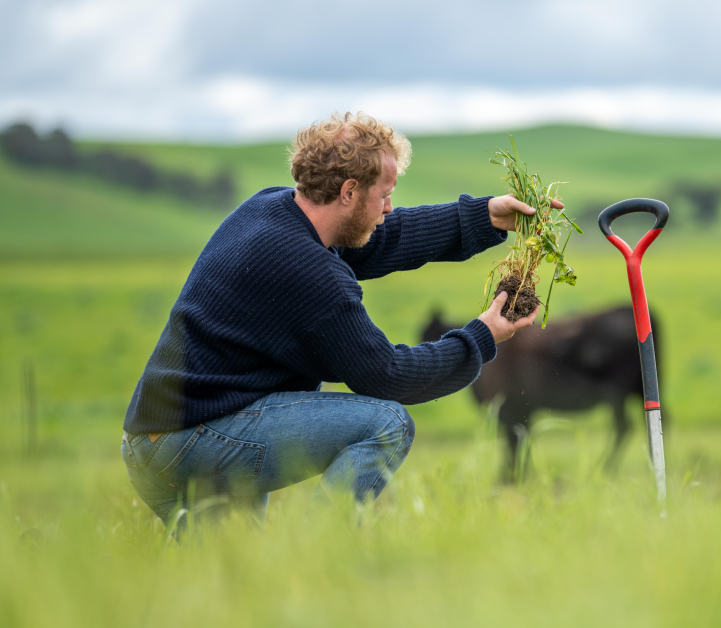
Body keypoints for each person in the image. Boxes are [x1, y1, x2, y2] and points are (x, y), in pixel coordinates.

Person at [120, 112, 548, 527]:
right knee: (387, 424)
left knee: (235, 578)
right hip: (195, 440)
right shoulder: (309, 272)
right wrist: (483, 335)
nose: (388, 207)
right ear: (348, 191)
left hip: (159, 439)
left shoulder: (273, 210)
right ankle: (316, 553)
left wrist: (484, 216)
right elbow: (389, 376)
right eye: (384, 195)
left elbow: (384, 238)